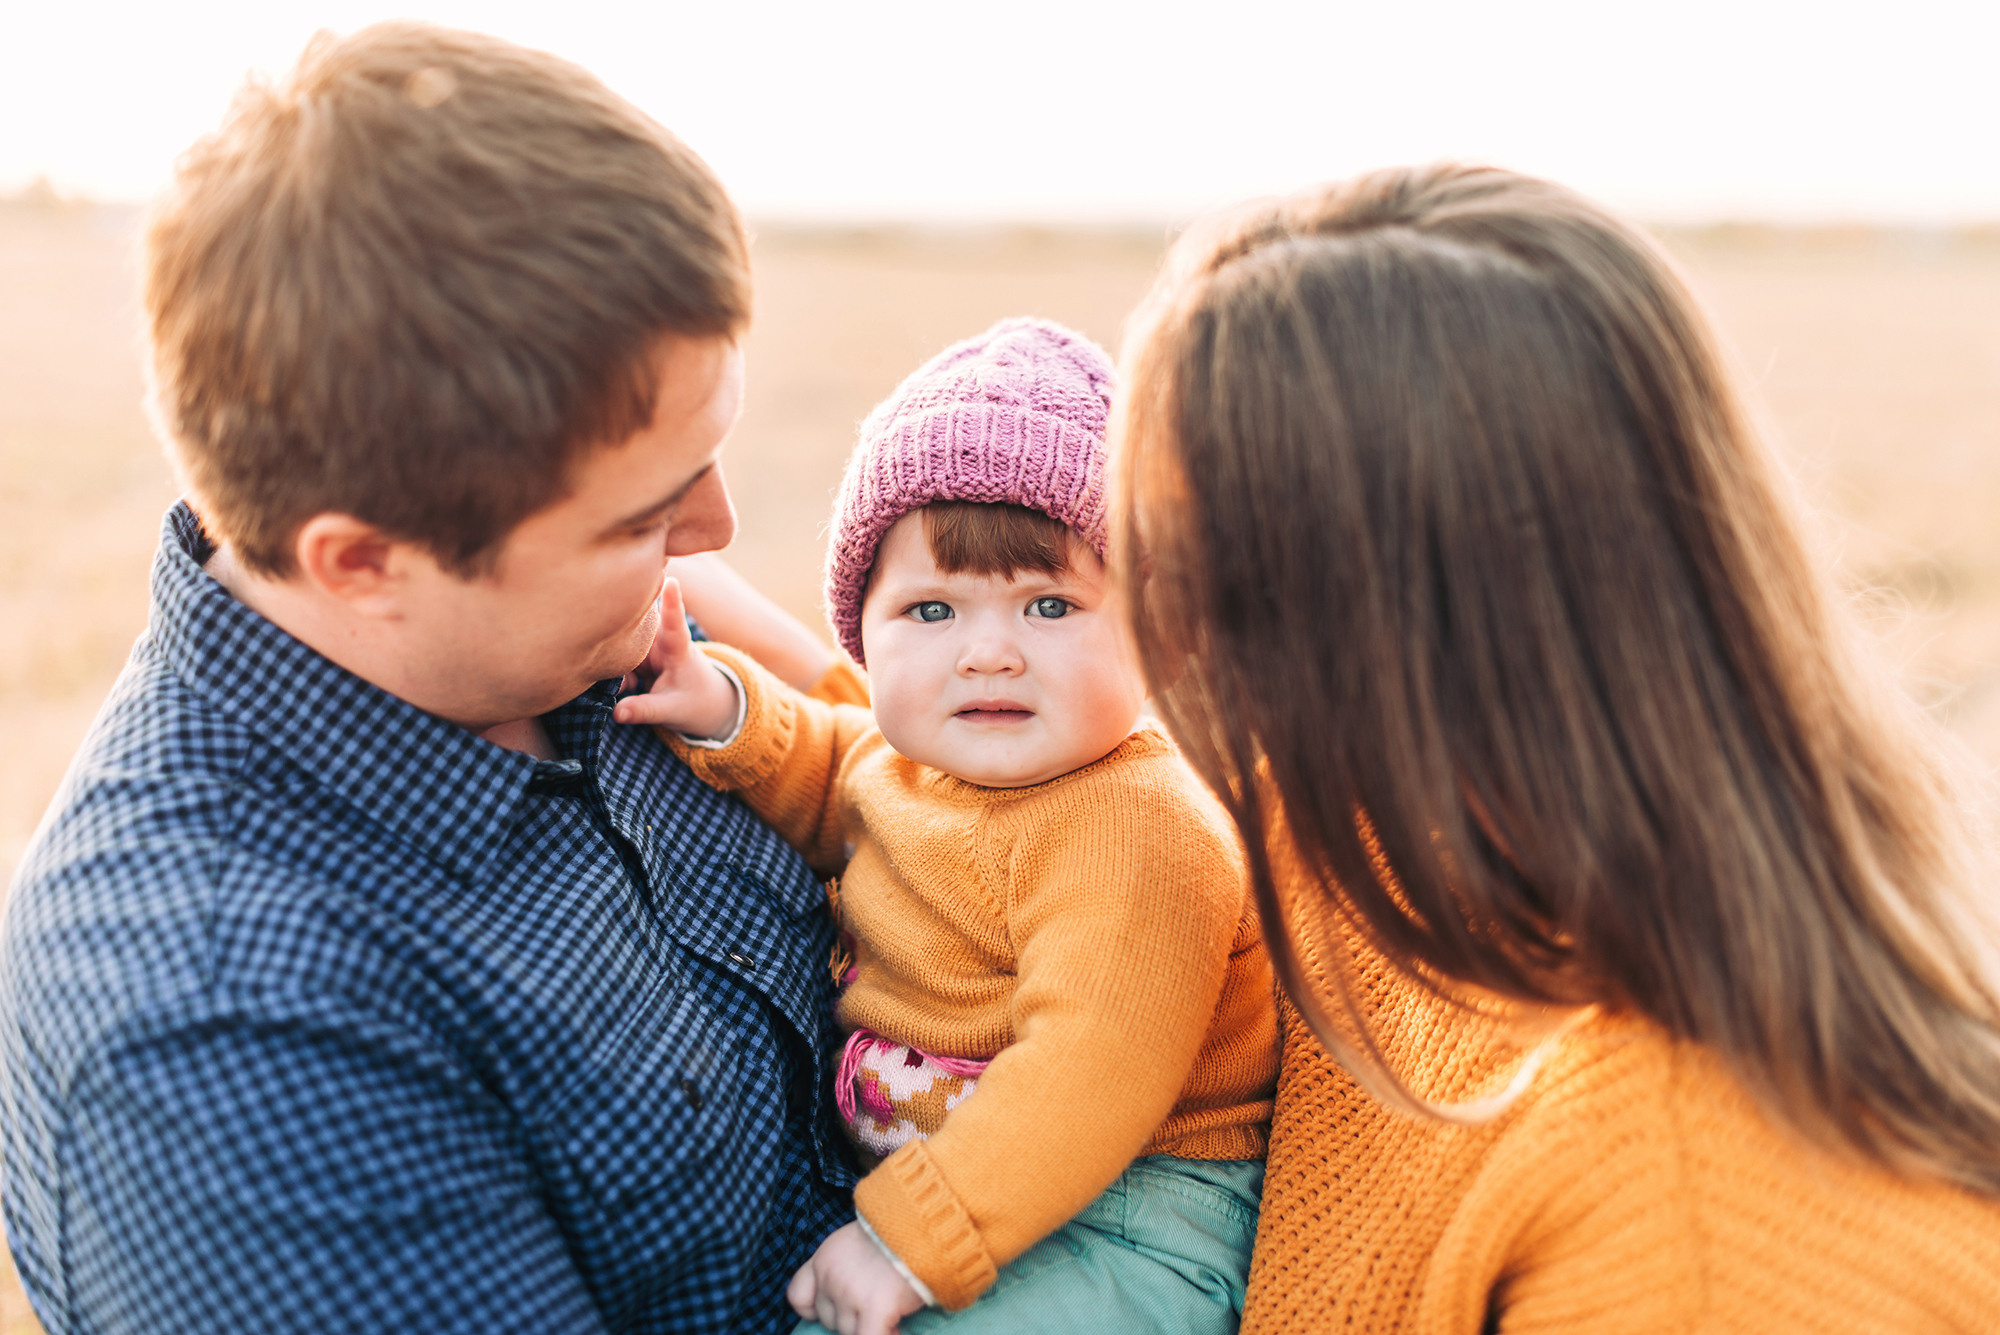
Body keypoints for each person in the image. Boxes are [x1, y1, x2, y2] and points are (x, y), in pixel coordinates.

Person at [0, 24, 855, 1334]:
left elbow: (938, 786)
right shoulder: (221, 1044)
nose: (715, 530)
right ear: (363, 562)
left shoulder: (585, 605)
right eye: (643, 515)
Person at [1111, 164, 2000, 1332]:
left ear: (1358, 626)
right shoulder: (1376, 839)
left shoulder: (1699, 1240)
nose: (1167, 641)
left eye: (1186, 565)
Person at [618, 318, 1278, 1335]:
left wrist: (904, 1241)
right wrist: (722, 705)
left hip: (1130, 1217)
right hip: (964, 1194)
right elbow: (831, 767)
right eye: (931, 611)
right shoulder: (916, 764)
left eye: (1049, 607)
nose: (987, 653)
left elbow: (1088, 1072)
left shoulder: (1142, 829)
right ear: (864, 631)